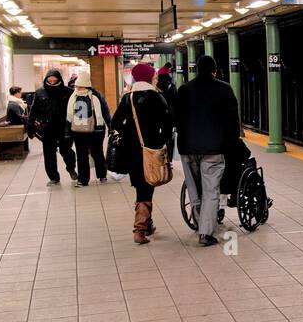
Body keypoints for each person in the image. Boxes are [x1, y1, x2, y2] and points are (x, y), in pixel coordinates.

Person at [174, 54, 241, 247]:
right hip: (213, 148)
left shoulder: (184, 90)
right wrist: (231, 144)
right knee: (211, 190)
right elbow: (232, 123)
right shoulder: (224, 89)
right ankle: (205, 232)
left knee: (195, 191)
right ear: (215, 70)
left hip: (187, 149)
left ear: (195, 70)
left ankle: (199, 224)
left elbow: (176, 119)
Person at [110, 62, 174, 243]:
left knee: (142, 184)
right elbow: (168, 123)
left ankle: (147, 224)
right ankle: (139, 229)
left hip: (131, 149)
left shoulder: (127, 98)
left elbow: (115, 123)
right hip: (150, 147)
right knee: (146, 186)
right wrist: (164, 142)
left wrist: (126, 134)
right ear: (149, 76)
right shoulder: (156, 97)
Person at [27, 68, 76, 185]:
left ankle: (71, 168)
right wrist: (30, 127)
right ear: (46, 79)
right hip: (47, 128)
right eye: (50, 80)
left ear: (59, 79)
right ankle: (53, 177)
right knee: (49, 154)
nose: (52, 82)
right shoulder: (40, 93)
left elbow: (74, 110)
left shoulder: (68, 92)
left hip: (65, 128)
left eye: (54, 80)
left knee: (66, 151)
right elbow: (33, 111)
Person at [66, 67, 112, 187]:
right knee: (81, 155)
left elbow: (105, 112)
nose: (78, 89)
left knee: (97, 153)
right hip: (78, 131)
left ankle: (102, 174)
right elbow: (69, 115)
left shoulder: (96, 96)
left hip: (96, 130)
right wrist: (67, 130)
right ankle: (83, 179)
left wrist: (109, 127)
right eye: (77, 86)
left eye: (80, 86)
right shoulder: (73, 97)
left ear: (87, 86)